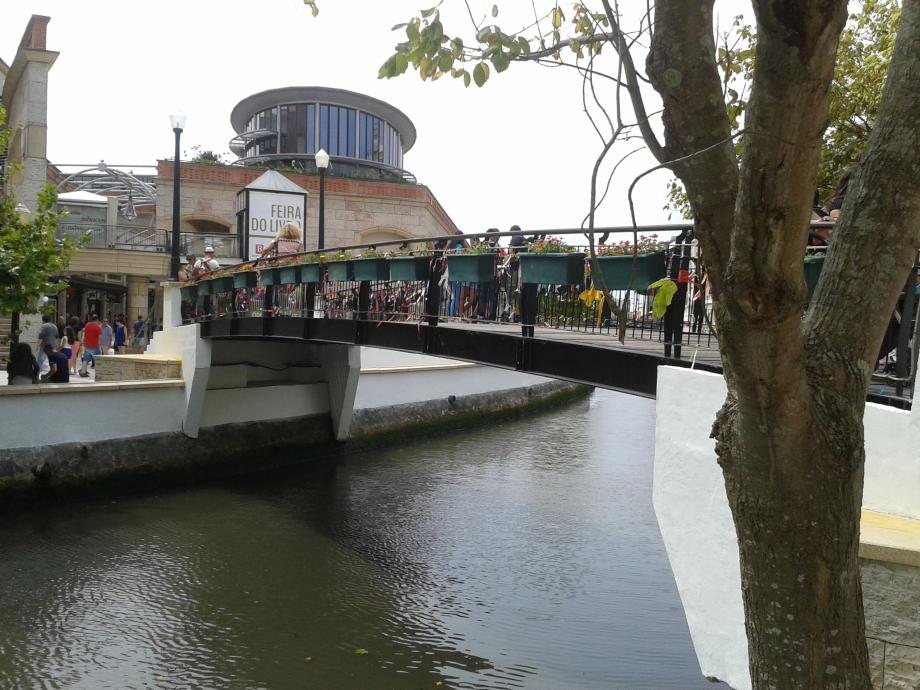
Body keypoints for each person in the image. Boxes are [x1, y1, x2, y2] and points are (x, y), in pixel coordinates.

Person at [259, 223, 304, 315]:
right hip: (290, 270)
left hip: (276, 268)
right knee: (284, 290)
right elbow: (302, 258)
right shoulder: (299, 243)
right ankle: (284, 311)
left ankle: (269, 310)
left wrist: (262, 259)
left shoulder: (277, 241)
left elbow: (265, 250)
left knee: (271, 286)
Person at [79, 313, 102, 378]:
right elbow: (100, 337)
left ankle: (83, 372)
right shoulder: (97, 327)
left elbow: (85, 334)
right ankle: (98, 373)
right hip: (95, 346)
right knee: (98, 360)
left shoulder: (87, 325)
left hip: (87, 345)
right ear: (97, 320)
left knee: (85, 359)